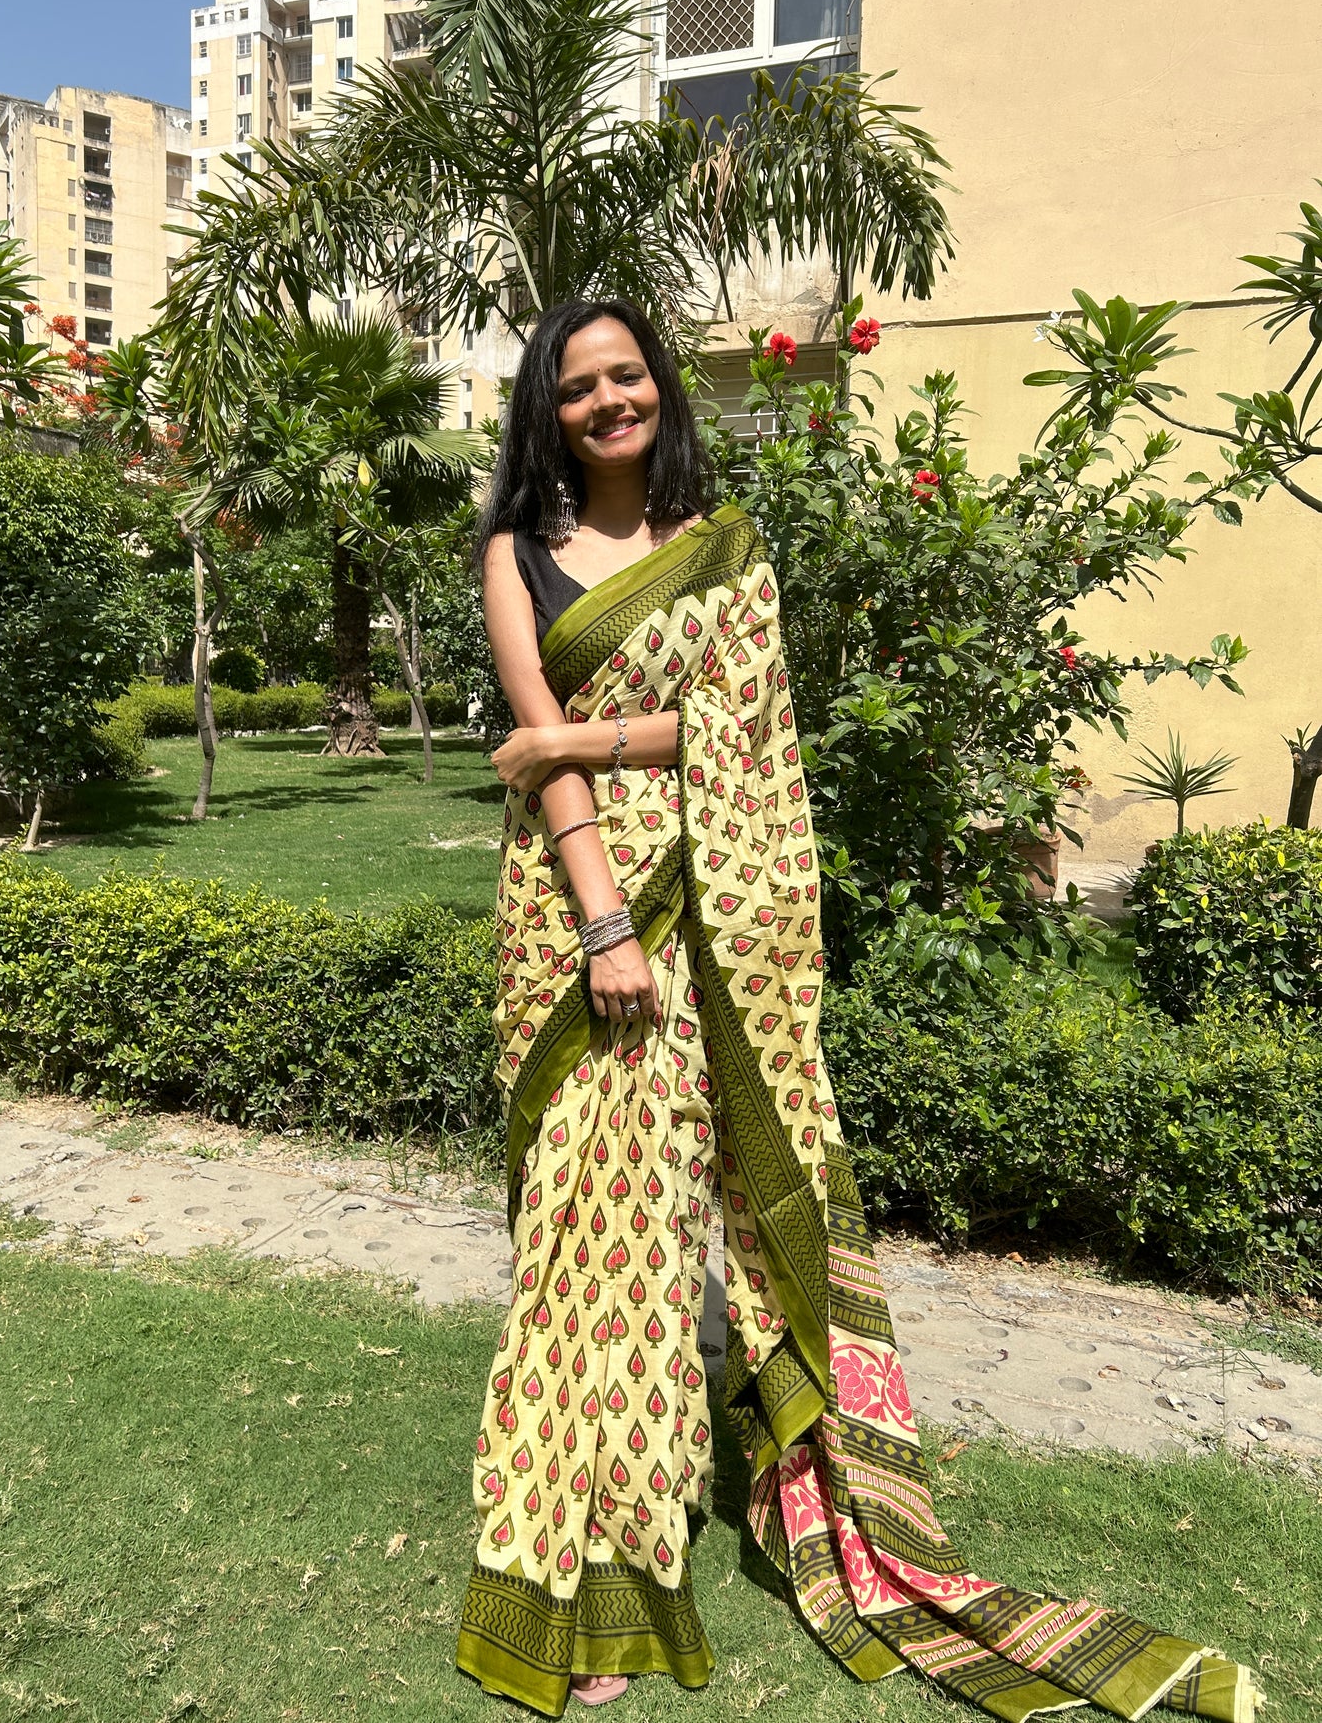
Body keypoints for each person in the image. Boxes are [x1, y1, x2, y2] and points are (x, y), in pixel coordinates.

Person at [454, 297, 1256, 1721]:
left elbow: (733, 734)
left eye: (626, 375)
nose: (607, 402)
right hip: (582, 928)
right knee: (584, 1246)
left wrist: (583, 731)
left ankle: (681, 1538)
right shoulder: (513, 555)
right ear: (547, 412)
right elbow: (537, 764)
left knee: (664, 1251)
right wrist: (598, 920)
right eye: (577, 387)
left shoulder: (725, 552)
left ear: (660, 389)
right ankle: (574, 1569)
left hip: (721, 923)